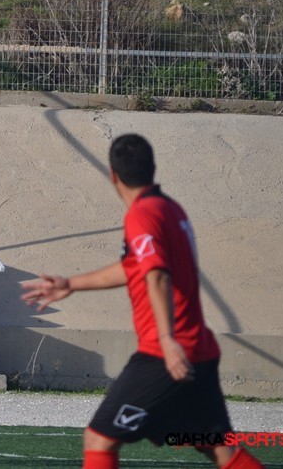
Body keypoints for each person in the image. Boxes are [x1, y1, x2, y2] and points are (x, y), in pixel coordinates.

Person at [20, 134, 264, 469]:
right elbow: (135, 266)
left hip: (165, 355)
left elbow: (157, 275)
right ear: (153, 168)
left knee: (99, 440)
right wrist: (72, 284)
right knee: (220, 449)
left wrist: (167, 339)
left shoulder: (142, 215)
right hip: (199, 349)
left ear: (113, 174)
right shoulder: (169, 208)